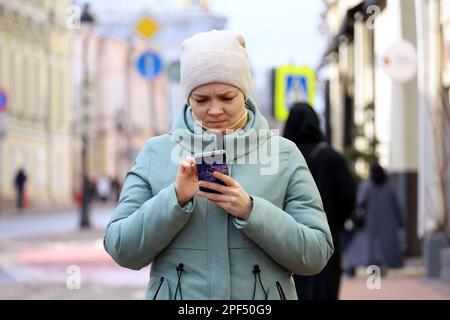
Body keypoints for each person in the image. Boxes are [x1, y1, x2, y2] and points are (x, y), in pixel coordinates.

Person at [103, 30, 334, 300]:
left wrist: (251, 211)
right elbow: (121, 248)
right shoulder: (157, 152)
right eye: (201, 99)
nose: (214, 110)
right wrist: (174, 199)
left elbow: (316, 254)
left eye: (227, 98)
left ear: (245, 95)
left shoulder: (282, 153)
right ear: (188, 98)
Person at [283, 102, 356, 300]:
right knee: (324, 288)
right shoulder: (332, 158)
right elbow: (348, 198)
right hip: (327, 235)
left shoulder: (281, 158)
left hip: (286, 236)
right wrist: (335, 222)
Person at [343, 163, 404, 276]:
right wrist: (400, 221)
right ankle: (379, 267)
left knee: (364, 247)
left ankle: (352, 267)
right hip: (387, 224)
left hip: (369, 223)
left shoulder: (367, 186)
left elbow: (360, 203)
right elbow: (396, 206)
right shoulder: (390, 187)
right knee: (383, 247)